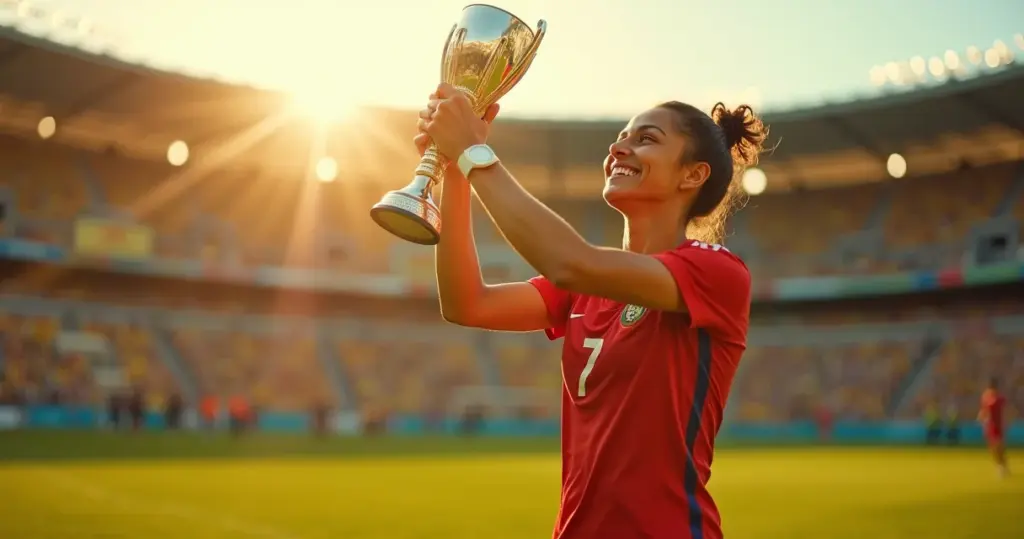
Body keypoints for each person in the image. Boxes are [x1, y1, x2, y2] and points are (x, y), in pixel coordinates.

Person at [417, 83, 766, 539]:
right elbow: (467, 303)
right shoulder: (588, 284)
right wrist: (455, 172)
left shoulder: (716, 271)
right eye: (622, 135)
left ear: (692, 175)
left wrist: (471, 151)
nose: (619, 146)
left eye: (647, 138)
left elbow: (569, 262)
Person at [978, 377, 1010, 478]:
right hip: (990, 426)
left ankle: (1002, 467)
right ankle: (1000, 465)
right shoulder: (986, 397)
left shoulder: (1000, 398)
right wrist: (981, 418)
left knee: (999, 447)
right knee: (992, 448)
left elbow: (1007, 410)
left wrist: (1007, 421)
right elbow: (984, 410)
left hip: (998, 425)